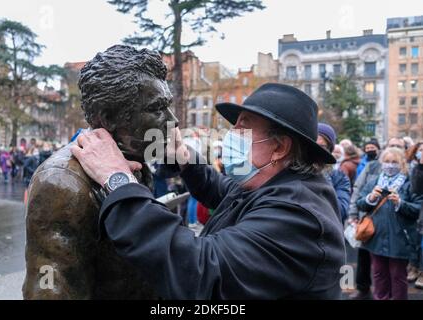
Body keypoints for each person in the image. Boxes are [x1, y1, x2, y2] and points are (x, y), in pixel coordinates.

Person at [72, 83, 346, 299]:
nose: (231, 135)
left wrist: (117, 180)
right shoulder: (272, 185)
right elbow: (222, 190)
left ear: (279, 147)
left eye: (244, 126)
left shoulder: (299, 216)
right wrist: (183, 157)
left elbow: (200, 269)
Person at [23, 45, 179, 299]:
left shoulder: (134, 161)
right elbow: (51, 286)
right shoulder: (62, 183)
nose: (174, 120)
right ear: (108, 118)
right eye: (157, 108)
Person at [356, 147, 422, 300]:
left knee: (398, 276)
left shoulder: (410, 183)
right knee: (379, 275)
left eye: (394, 162)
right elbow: (360, 203)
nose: (390, 165)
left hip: (401, 239)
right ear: (381, 163)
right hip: (376, 238)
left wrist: (401, 203)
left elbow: (418, 208)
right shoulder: (374, 183)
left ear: (401, 164)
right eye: (387, 161)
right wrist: (370, 199)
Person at [347, 137, 402, 299]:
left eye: (398, 146)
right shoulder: (372, 166)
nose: (394, 148)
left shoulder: (407, 170)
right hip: (370, 219)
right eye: (391, 145)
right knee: (365, 255)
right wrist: (353, 214)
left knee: (395, 266)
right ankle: (363, 288)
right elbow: (358, 189)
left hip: (396, 224)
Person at [317, 123, 351, 223]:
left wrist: (323, 178)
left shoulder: (339, 177)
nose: (316, 150)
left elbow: (341, 212)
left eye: (322, 146)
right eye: (312, 144)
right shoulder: (293, 172)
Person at [410, 145, 423, 289]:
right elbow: (416, 189)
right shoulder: (417, 169)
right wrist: (420, 166)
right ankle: (417, 268)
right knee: (419, 242)